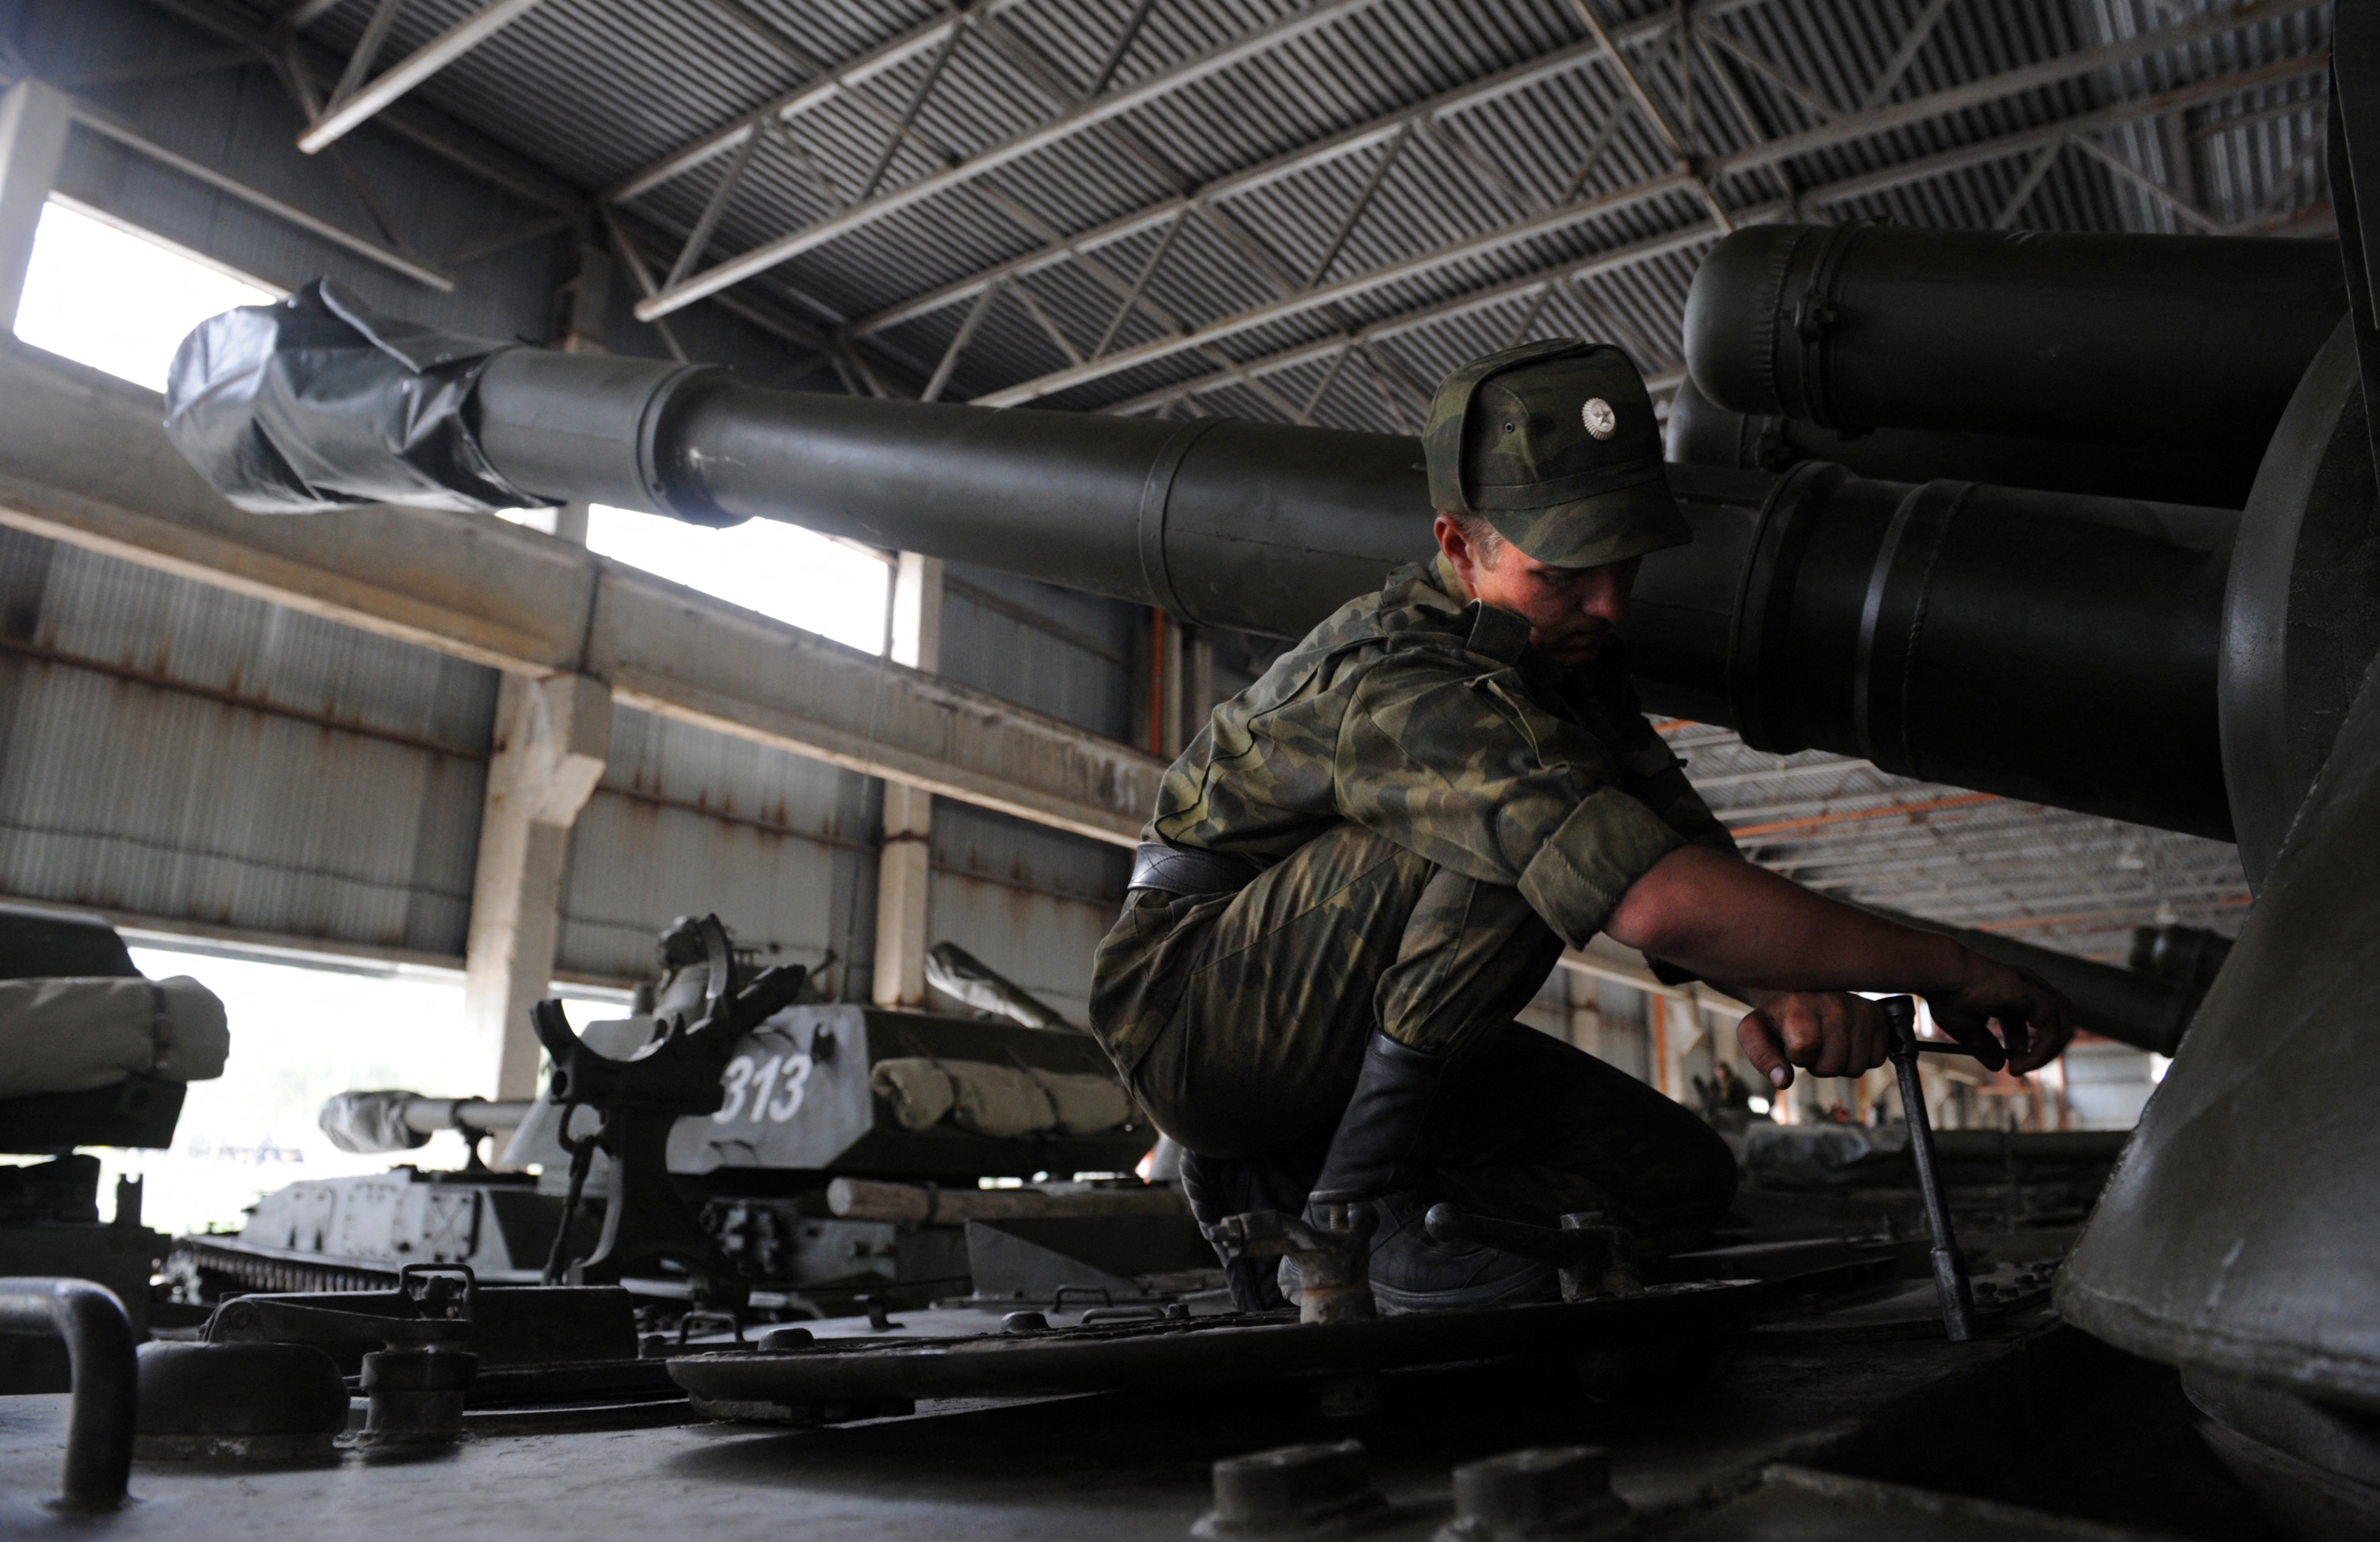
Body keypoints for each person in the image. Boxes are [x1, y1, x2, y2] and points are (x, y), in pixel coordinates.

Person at [1088, 339, 2072, 1312]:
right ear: (1457, 548)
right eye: (1563, 575)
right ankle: (1348, 1220)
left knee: (1675, 1173)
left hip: (1325, 1045)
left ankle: (1299, 1191)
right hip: (1193, 1023)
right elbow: (1647, 896)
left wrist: (1796, 989)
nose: (1609, 603)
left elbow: (1680, 855)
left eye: (1622, 564)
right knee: (1517, 838)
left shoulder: (1564, 671)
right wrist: (1950, 967)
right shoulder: (1404, 685)